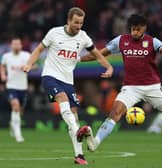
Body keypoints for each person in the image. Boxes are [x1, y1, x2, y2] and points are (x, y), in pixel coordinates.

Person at [22, 7, 113, 165]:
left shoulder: (83, 37)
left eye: (81, 23)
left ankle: (79, 155)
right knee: (62, 99)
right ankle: (78, 130)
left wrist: (109, 67)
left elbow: (97, 54)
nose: (78, 25)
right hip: (50, 76)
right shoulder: (54, 33)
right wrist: (29, 64)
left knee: (74, 115)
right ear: (69, 20)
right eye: (76, 22)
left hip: (68, 81)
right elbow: (38, 50)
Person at [77, 14, 162, 152]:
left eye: (138, 29)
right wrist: (78, 59)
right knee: (115, 113)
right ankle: (95, 142)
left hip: (152, 87)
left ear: (144, 28)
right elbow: (100, 54)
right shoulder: (121, 40)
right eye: (132, 29)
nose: (135, 32)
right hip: (131, 88)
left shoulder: (152, 41)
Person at [0, 38, 31, 143]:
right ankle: (18, 135)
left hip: (23, 87)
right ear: (11, 45)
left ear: (21, 45)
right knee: (15, 106)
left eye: (18, 44)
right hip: (11, 86)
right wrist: (3, 75)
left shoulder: (26, 55)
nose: (16, 45)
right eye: (14, 44)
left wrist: (27, 67)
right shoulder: (6, 56)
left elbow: (34, 65)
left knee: (19, 111)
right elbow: (2, 66)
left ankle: (13, 124)